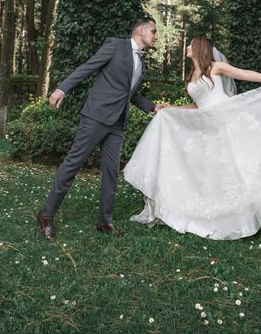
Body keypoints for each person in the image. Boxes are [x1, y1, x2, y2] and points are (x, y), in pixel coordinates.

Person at [123, 35, 261, 240]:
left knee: (240, 167)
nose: (187, 47)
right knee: (217, 171)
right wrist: (172, 109)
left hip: (227, 121)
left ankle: (258, 211)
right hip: (209, 127)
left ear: (200, 48)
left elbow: (243, 74)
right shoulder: (193, 73)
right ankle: (221, 214)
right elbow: (198, 105)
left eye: (191, 44)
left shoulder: (215, 67)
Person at [36, 18, 167, 239]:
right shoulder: (116, 45)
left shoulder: (141, 63)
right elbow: (88, 67)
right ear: (141, 31)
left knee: (110, 173)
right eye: (153, 31)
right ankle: (46, 215)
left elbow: (129, 93)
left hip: (117, 123)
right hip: (96, 116)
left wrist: (153, 107)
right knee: (72, 164)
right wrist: (62, 89)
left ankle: (105, 221)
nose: (156, 36)